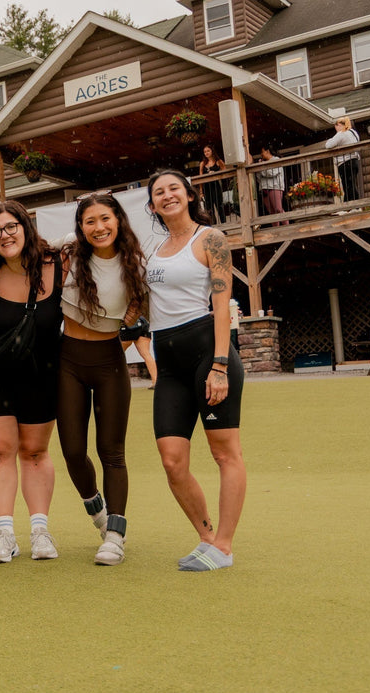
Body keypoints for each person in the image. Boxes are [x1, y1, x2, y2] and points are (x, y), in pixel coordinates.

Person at [145, 169, 247, 571]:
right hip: (169, 364)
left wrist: (220, 364)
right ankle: (206, 539)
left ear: (188, 195)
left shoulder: (211, 239)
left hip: (208, 353)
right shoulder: (153, 250)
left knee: (225, 454)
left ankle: (224, 545)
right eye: (159, 193)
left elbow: (222, 304)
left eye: (174, 189)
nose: (167, 196)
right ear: (152, 205)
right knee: (172, 460)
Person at [0, 200, 62, 563]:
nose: (5, 235)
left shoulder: (58, 264)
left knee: (34, 450)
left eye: (11, 226)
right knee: (0, 450)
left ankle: (40, 531)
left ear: (26, 227)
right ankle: (5, 534)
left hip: (41, 368)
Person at [58, 193, 149, 566]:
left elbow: (140, 305)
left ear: (118, 220)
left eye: (105, 219)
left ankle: (115, 534)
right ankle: (97, 509)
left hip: (110, 361)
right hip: (67, 359)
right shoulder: (69, 256)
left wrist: (134, 313)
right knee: (73, 451)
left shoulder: (134, 264)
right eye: (89, 221)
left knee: (112, 451)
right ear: (80, 227)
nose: (99, 227)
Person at [325, 116, 361, 202]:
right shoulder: (353, 133)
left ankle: (352, 206)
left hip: (345, 162)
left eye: (336, 126)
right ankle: (353, 205)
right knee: (351, 184)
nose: (336, 129)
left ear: (340, 125)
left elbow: (328, 145)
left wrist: (330, 139)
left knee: (348, 185)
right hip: (354, 160)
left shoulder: (341, 134)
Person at [256, 145, 287, 225]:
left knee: (278, 209)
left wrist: (261, 169)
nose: (261, 154)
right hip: (264, 188)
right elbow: (258, 177)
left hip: (275, 187)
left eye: (262, 152)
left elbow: (271, 173)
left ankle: (287, 227)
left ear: (268, 151)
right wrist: (261, 168)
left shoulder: (276, 160)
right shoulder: (262, 162)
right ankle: (276, 231)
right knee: (272, 213)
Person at [198, 144, 227, 225]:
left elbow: (225, 171)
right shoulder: (202, 163)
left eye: (208, 151)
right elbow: (200, 178)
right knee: (209, 209)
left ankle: (224, 226)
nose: (206, 153)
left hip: (216, 186)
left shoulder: (218, 161)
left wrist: (216, 173)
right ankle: (213, 227)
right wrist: (201, 191)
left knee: (220, 207)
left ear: (212, 151)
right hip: (207, 187)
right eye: (205, 152)